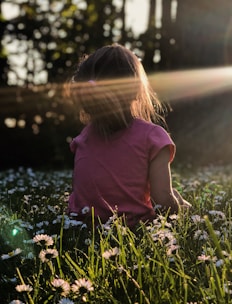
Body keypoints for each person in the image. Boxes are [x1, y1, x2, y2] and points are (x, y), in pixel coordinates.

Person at [66, 43, 191, 228]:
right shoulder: (152, 137)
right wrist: (183, 210)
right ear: (136, 90)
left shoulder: (83, 138)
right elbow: (162, 201)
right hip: (133, 229)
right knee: (176, 197)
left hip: (82, 226)